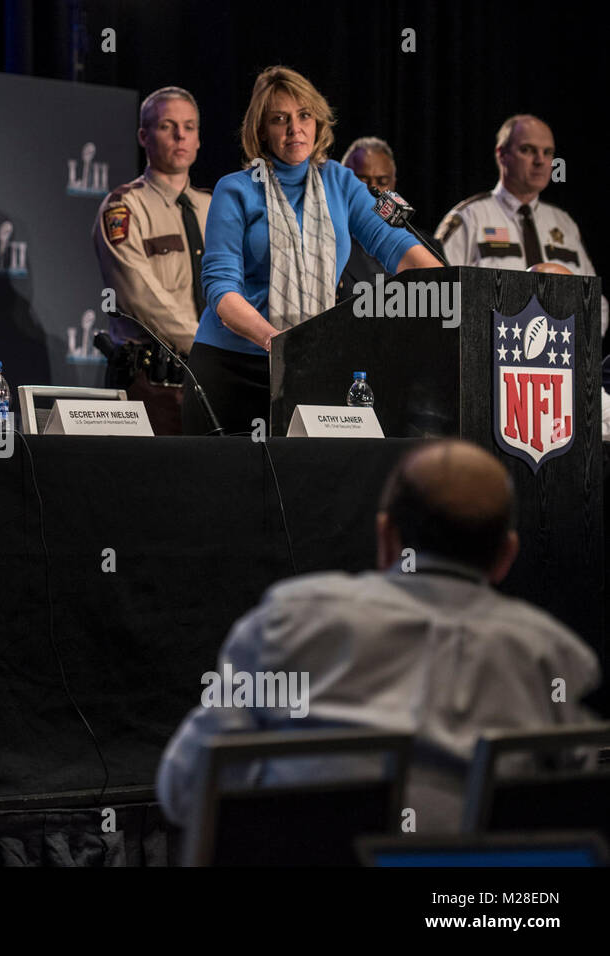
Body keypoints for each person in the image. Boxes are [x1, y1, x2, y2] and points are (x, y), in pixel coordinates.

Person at [156, 439, 602, 835]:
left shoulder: (288, 621)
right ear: (506, 556)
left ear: (387, 537)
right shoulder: (553, 658)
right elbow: (573, 821)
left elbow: (187, 790)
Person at [184, 66, 441, 437]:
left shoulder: (340, 182)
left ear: (318, 122)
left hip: (307, 365)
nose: (295, 129)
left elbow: (395, 244)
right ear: (261, 129)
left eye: (304, 116)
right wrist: (276, 341)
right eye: (279, 119)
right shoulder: (235, 189)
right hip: (232, 369)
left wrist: (452, 287)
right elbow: (221, 289)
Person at [92, 86, 210, 435]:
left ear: (200, 138)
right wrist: (212, 349)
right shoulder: (124, 207)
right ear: (144, 136)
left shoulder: (215, 206)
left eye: (189, 127)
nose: (180, 135)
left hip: (213, 382)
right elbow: (141, 298)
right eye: (167, 126)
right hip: (153, 384)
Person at [434, 114, 607, 337]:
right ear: (502, 155)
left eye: (548, 153)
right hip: (488, 356)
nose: (540, 161)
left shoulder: (564, 223)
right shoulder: (469, 218)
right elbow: (439, 294)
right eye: (527, 150)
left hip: (560, 357)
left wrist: (578, 343)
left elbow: (595, 299)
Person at [337, 136, 397, 297]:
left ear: (393, 185)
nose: (373, 189)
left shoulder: (426, 246)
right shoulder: (326, 244)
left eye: (382, 181)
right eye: (362, 180)